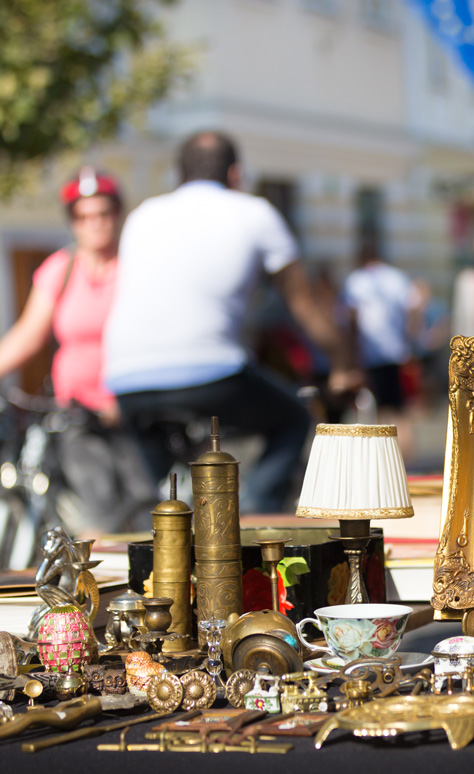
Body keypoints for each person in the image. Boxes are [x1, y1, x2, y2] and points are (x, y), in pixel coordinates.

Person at [103, 131, 357, 513]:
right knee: (293, 418)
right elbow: (303, 305)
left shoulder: (143, 214)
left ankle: (163, 542)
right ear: (236, 174)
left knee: (165, 501)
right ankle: (254, 523)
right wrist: (344, 364)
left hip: (126, 378)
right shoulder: (255, 212)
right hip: (210, 373)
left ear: (179, 175)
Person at [0, 168, 155, 535]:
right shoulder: (61, 269)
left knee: (146, 517)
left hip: (133, 415)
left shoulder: (137, 268)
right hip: (76, 416)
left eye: (103, 214)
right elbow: (27, 335)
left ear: (117, 215)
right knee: (94, 523)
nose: (95, 225)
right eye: (84, 217)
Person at [341, 240, 421, 454]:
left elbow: (351, 318)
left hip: (369, 353)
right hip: (396, 352)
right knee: (399, 409)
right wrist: (409, 338)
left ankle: (381, 457)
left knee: (375, 409)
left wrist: (351, 351)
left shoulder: (356, 280)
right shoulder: (396, 277)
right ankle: (407, 458)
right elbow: (414, 308)